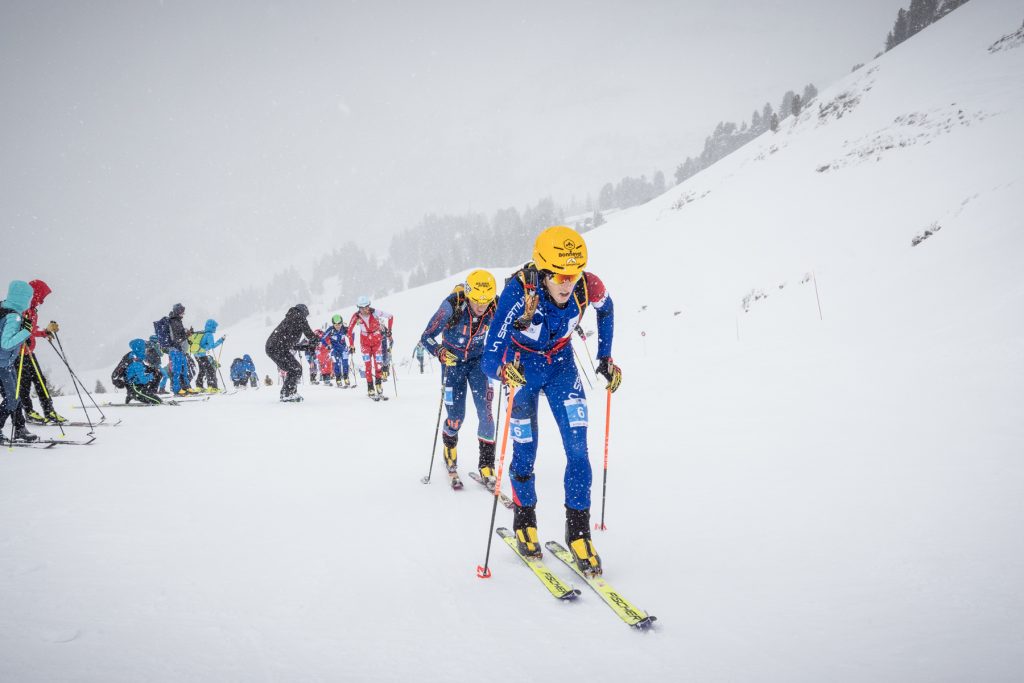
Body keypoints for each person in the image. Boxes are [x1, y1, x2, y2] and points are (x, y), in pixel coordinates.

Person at [482, 226, 621, 576]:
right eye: (559, 275)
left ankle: (578, 532)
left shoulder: (589, 286)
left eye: (573, 275)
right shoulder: (520, 291)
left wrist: (605, 358)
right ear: (544, 271)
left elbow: (607, 309)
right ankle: (524, 518)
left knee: (578, 449)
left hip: (561, 367)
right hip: (523, 371)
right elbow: (488, 357)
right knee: (525, 451)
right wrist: (503, 371)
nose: (567, 284)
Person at [420, 269, 498, 489]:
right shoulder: (451, 306)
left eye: (486, 300)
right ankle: (449, 449)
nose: (482, 306)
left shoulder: (495, 305)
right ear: (468, 293)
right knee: (456, 417)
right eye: (477, 300)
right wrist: (440, 353)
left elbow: (508, 332)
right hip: (453, 363)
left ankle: (486, 465)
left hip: (478, 362)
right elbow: (426, 337)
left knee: (487, 413)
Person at [18, 279, 66, 424]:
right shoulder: (23, 309)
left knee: (40, 382)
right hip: (18, 354)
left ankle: (49, 410)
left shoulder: (32, 310)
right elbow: (17, 330)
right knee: (24, 385)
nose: (43, 301)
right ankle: (29, 411)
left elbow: (31, 331)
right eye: (42, 296)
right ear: (35, 294)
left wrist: (45, 332)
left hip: (29, 352)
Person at [0, 280, 39, 442]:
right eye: (29, 298)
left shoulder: (3, 308)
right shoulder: (13, 317)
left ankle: (20, 428)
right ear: (23, 298)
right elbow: (6, 343)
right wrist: (26, 331)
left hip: (6, 363)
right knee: (12, 398)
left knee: (14, 396)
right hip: (3, 364)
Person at [265, 304, 318, 402]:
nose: (305, 318)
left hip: (275, 348)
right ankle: (287, 394)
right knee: (295, 369)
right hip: (276, 348)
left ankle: (290, 392)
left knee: (295, 368)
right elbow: (310, 334)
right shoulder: (298, 316)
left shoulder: (291, 318)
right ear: (304, 312)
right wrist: (316, 340)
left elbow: (289, 343)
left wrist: (306, 347)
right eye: (306, 316)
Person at [347, 296, 394, 399]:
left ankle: (378, 385)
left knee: (378, 365)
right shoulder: (356, 316)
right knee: (368, 366)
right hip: (365, 343)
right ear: (358, 308)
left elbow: (390, 316)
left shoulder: (375, 312)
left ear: (369, 306)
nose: (364, 310)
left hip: (377, 342)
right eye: (361, 308)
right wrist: (351, 344)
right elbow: (349, 331)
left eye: (366, 307)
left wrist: (389, 331)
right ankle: (370, 387)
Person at [124, 339, 162, 405]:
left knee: (154, 400)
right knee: (157, 402)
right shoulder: (136, 362)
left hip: (136, 385)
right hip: (136, 387)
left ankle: (132, 394)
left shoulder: (135, 358)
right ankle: (135, 394)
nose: (145, 349)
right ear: (140, 348)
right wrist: (152, 375)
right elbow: (143, 380)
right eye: (144, 347)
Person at [194, 319, 225, 392]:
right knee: (211, 370)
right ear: (212, 327)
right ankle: (212, 387)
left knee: (202, 370)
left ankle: (199, 386)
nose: (215, 329)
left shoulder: (202, 333)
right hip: (202, 355)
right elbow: (212, 346)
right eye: (215, 327)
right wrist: (221, 340)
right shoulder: (209, 334)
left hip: (196, 354)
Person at [321, 314, 352, 387]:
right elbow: (322, 338)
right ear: (333, 324)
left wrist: (351, 345)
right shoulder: (331, 329)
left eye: (339, 324)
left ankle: (346, 377)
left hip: (343, 349)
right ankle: (338, 379)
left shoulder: (344, 328)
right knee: (336, 364)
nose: (338, 326)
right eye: (335, 324)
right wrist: (327, 346)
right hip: (334, 350)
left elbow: (351, 335)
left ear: (342, 323)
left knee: (345, 363)